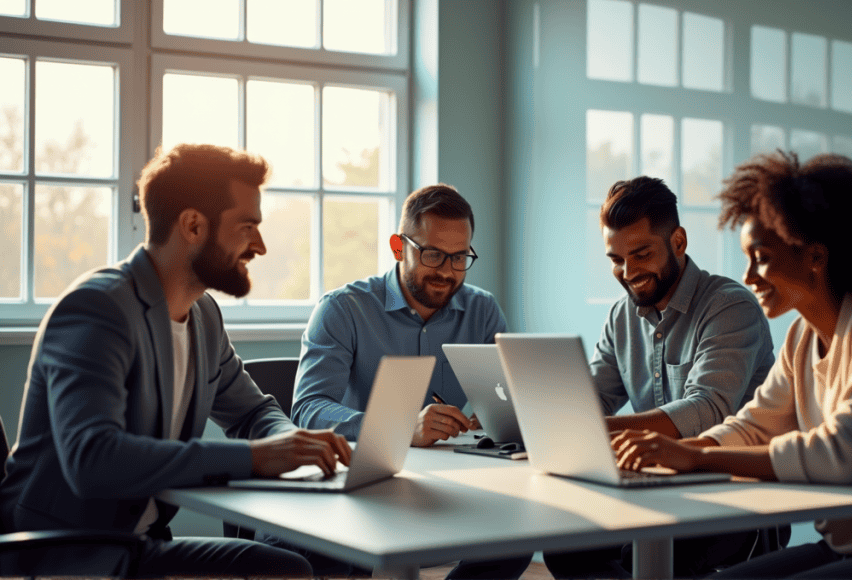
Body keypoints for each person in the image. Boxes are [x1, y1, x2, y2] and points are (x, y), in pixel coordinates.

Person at [613, 152, 852, 578]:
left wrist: (696, 459)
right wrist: (681, 452)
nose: (749, 276)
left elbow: (840, 454)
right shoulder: (802, 338)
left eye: (762, 257)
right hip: (851, 550)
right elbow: (752, 426)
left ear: (814, 256)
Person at [0, 144, 353, 577]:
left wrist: (295, 445)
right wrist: (256, 457)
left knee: (287, 569)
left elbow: (254, 411)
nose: (259, 246)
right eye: (247, 227)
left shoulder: (202, 315)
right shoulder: (97, 308)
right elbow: (93, 461)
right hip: (61, 553)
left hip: (138, 545)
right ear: (192, 225)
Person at [277, 183, 532, 579]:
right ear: (399, 247)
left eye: (460, 257)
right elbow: (308, 410)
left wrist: (495, 418)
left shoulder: (482, 310)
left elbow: (505, 397)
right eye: (433, 254)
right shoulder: (343, 309)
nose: (447, 271)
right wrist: (398, 427)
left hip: (450, 483)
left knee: (517, 536)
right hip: (363, 485)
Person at [542, 176, 778, 579]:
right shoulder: (621, 316)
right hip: (654, 489)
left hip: (734, 496)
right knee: (564, 550)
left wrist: (590, 429)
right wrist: (548, 415)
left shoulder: (729, 306)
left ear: (679, 242)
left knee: (642, 558)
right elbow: (594, 396)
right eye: (616, 259)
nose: (628, 271)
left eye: (641, 254)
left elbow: (708, 408)